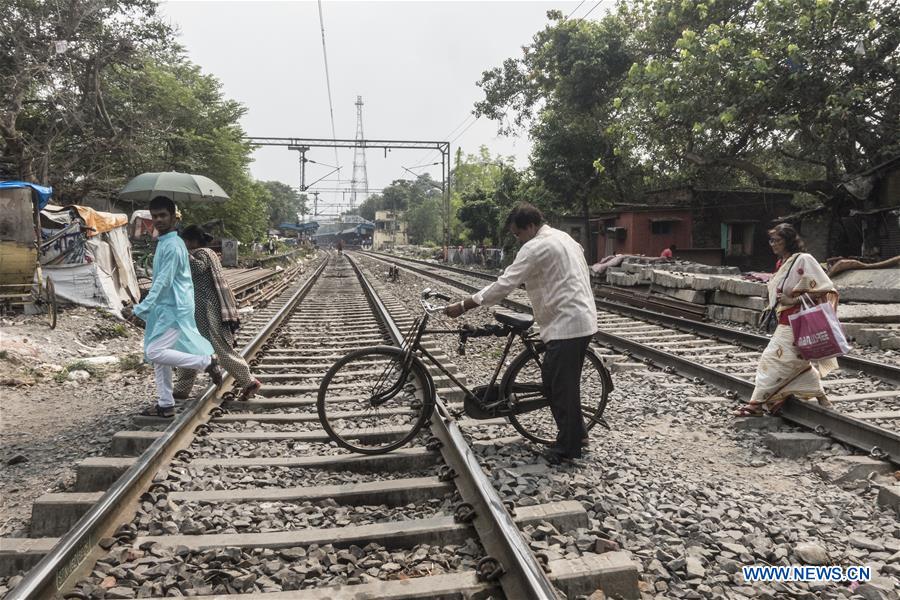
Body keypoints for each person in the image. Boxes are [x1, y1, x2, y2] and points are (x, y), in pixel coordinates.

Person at [444, 203, 598, 463]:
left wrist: (464, 305)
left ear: (530, 226)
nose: (517, 239)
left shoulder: (536, 246)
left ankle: (568, 448)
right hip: (579, 320)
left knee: (560, 389)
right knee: (558, 385)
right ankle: (579, 434)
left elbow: (505, 284)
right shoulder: (564, 237)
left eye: (517, 234)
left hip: (567, 324)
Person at [129, 197, 223, 418]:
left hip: (174, 308)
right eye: (155, 216)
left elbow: (164, 281)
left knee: (154, 352)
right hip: (165, 307)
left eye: (163, 215)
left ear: (173, 217)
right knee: (159, 359)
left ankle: (206, 361)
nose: (158, 220)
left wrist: (141, 309)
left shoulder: (172, 245)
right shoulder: (165, 242)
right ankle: (165, 404)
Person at [735, 224, 838, 416]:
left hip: (797, 321)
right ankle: (822, 398)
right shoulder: (783, 263)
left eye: (777, 240)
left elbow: (824, 287)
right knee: (798, 362)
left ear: (789, 241)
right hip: (785, 320)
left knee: (771, 359)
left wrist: (794, 299)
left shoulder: (803, 260)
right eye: (771, 240)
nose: (772, 244)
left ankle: (755, 405)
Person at [173, 225, 262, 402]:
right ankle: (182, 388)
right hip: (199, 310)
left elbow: (197, 268)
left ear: (189, 241)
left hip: (207, 310)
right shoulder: (208, 252)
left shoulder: (203, 253)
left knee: (219, 348)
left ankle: (248, 381)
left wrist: (183, 253)